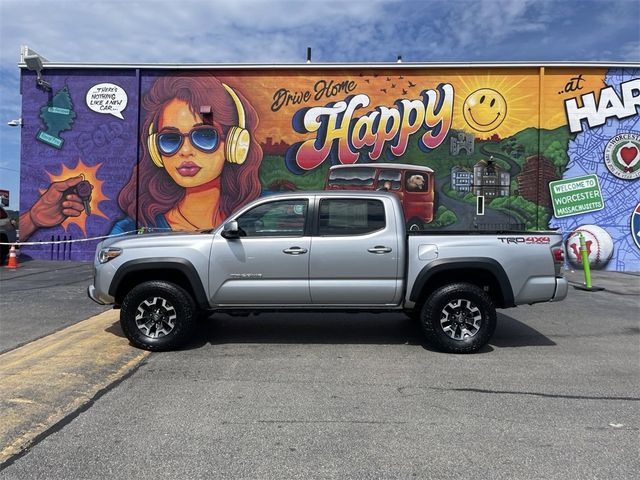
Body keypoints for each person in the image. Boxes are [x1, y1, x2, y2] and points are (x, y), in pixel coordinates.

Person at [111, 74, 262, 233]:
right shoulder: (126, 230)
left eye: (204, 136)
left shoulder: (265, 213)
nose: (185, 151)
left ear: (234, 144)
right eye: (170, 139)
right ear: (156, 150)